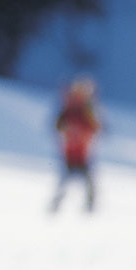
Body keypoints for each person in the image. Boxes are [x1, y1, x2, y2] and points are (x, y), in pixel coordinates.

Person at [50, 77, 101, 212]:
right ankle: (56, 206)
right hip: (72, 153)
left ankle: (89, 207)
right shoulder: (69, 110)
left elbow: (96, 127)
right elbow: (57, 126)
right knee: (65, 183)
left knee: (85, 183)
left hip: (82, 154)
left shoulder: (86, 111)